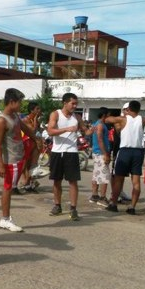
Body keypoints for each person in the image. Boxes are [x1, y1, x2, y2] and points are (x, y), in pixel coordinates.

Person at [0, 88, 38, 232]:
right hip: (10, 160)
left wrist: (36, 140)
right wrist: (0, 164)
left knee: (11, 187)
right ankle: (5, 219)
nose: (21, 105)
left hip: (19, 157)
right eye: (19, 102)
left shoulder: (16, 116)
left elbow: (26, 129)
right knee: (8, 188)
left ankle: (6, 218)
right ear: (12, 102)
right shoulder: (1, 121)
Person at [47, 92, 92, 220]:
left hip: (72, 152)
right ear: (65, 103)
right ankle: (57, 205)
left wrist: (90, 130)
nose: (74, 106)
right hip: (57, 151)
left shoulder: (77, 117)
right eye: (72, 103)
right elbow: (50, 131)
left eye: (76, 104)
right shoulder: (55, 114)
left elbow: (85, 130)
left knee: (73, 182)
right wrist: (66, 129)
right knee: (57, 181)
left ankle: (73, 209)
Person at [105, 100, 145, 214]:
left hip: (125, 151)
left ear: (128, 109)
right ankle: (132, 207)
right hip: (138, 152)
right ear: (139, 110)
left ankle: (113, 204)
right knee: (136, 181)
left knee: (118, 179)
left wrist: (120, 116)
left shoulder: (123, 119)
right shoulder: (143, 119)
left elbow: (107, 119)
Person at [89, 107, 111, 207]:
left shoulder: (96, 124)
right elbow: (100, 140)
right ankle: (102, 198)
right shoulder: (100, 126)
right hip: (100, 153)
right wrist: (105, 154)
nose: (109, 117)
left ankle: (94, 195)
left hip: (97, 152)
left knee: (96, 174)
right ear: (104, 115)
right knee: (104, 176)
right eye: (108, 115)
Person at [20, 101, 45, 193]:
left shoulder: (37, 120)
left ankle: (29, 184)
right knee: (24, 165)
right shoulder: (25, 120)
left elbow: (39, 131)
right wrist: (35, 121)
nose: (39, 110)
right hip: (27, 143)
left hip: (35, 143)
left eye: (39, 109)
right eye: (37, 109)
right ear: (32, 110)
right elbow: (32, 131)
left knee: (32, 165)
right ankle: (21, 183)